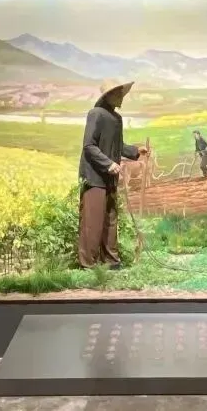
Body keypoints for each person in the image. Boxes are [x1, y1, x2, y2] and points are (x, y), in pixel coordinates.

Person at [77, 80, 148, 270]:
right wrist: (108, 163)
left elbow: (118, 146)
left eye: (121, 93)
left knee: (110, 219)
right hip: (94, 177)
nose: (121, 96)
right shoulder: (96, 114)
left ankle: (111, 261)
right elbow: (89, 146)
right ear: (107, 96)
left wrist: (135, 151)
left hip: (110, 178)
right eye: (117, 93)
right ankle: (89, 264)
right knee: (92, 221)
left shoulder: (117, 118)